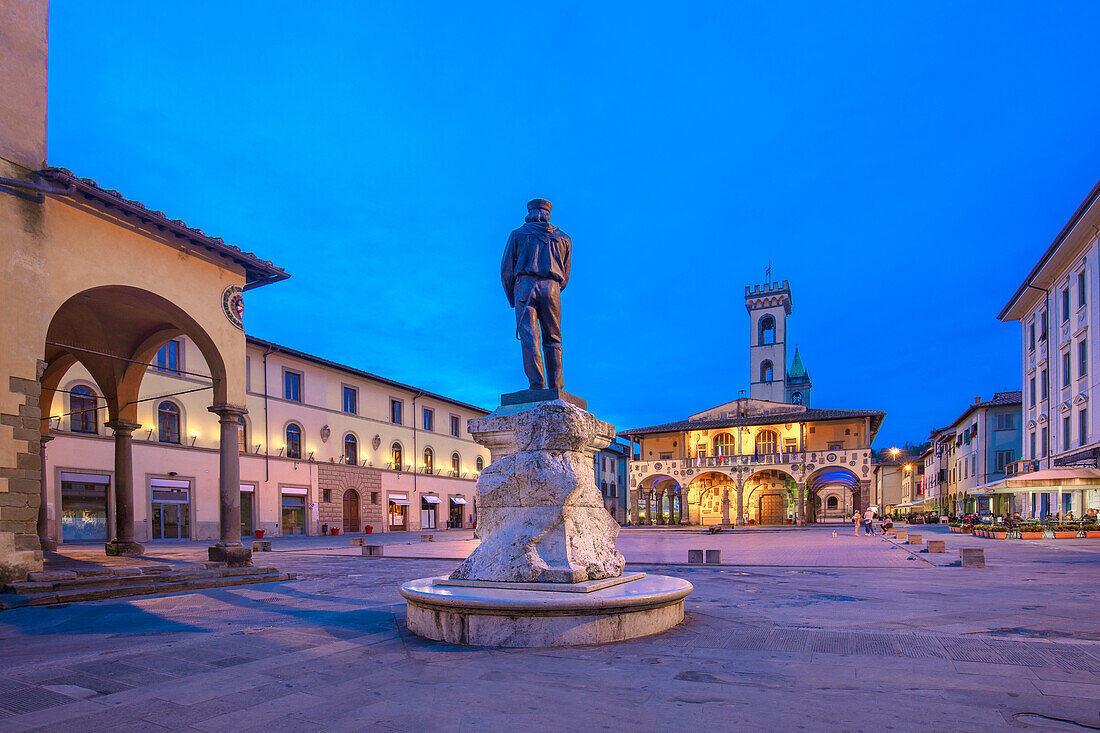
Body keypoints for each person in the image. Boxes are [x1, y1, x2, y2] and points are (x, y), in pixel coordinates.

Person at [501, 199, 572, 391]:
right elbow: (565, 275)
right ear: (547, 214)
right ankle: (557, 386)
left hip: (524, 287)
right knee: (554, 339)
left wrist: (513, 297)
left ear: (530, 213)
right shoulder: (564, 239)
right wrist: (553, 288)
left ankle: (537, 385)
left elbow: (506, 271)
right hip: (552, 288)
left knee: (530, 337)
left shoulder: (517, 235)